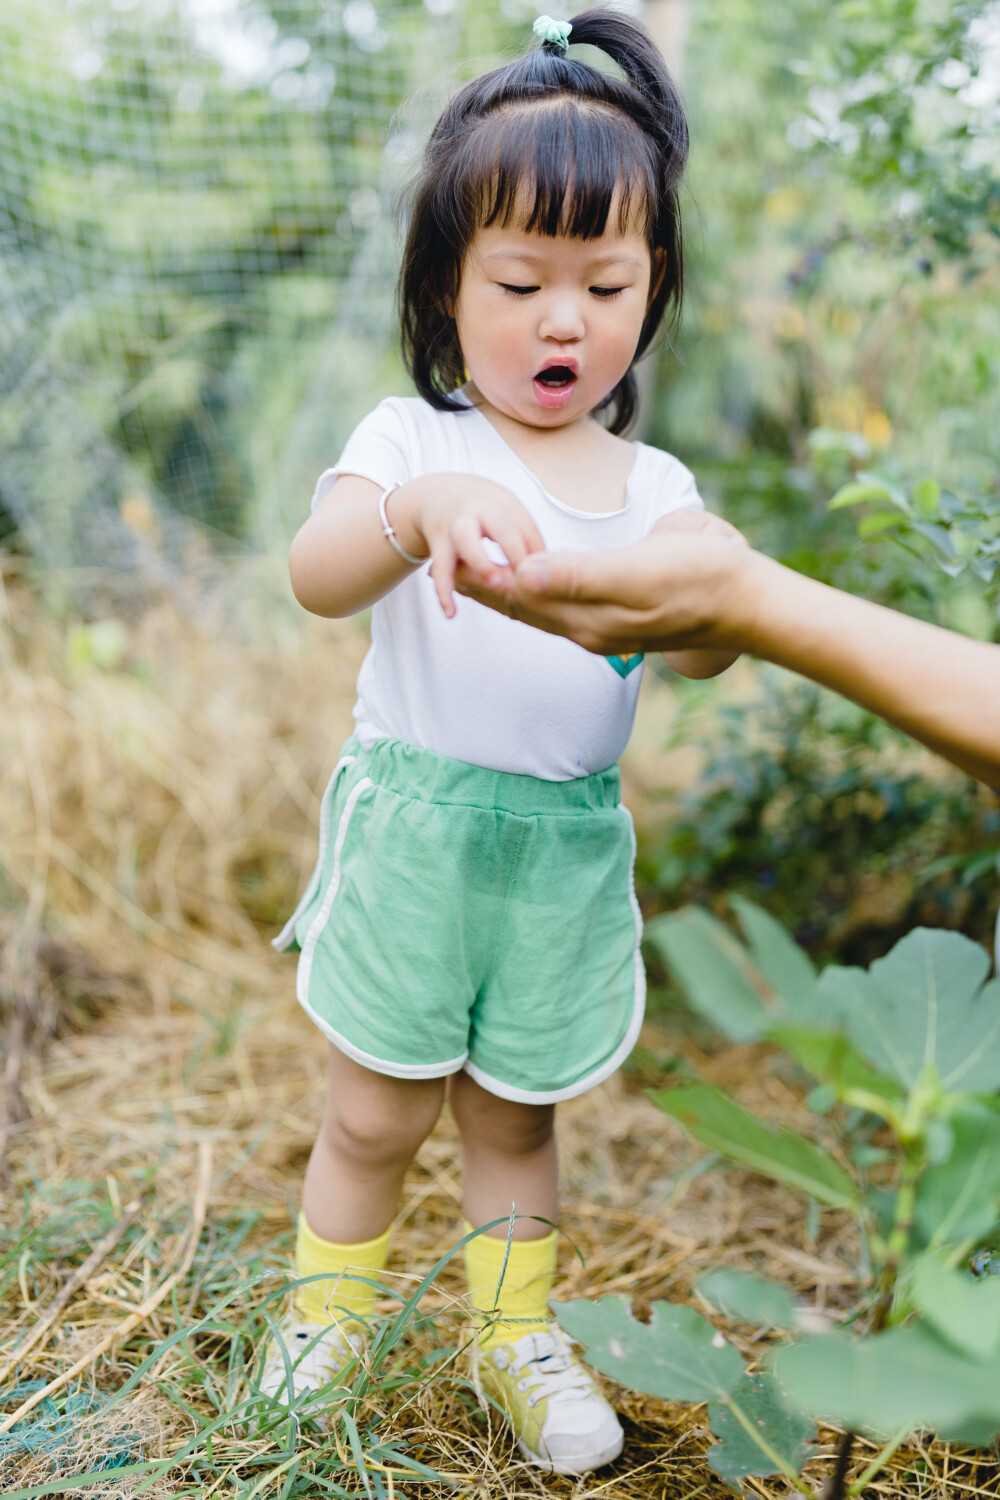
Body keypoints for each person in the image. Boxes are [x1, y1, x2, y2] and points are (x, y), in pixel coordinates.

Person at [264, 8, 742, 1474]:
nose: (563, 321)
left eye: (605, 283)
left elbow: (714, 637)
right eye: (523, 279)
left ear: (650, 291)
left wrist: (713, 587)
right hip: (418, 830)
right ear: (445, 288)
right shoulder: (418, 446)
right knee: (374, 1110)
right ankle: (324, 1319)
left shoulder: (656, 483)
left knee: (516, 1115)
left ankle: (514, 1334)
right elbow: (318, 566)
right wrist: (415, 520)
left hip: (560, 849)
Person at [455, 523, 1000, 789]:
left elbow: (697, 660)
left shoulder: (657, 481)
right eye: (521, 290)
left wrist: (737, 601)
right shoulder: (409, 436)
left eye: (605, 291)